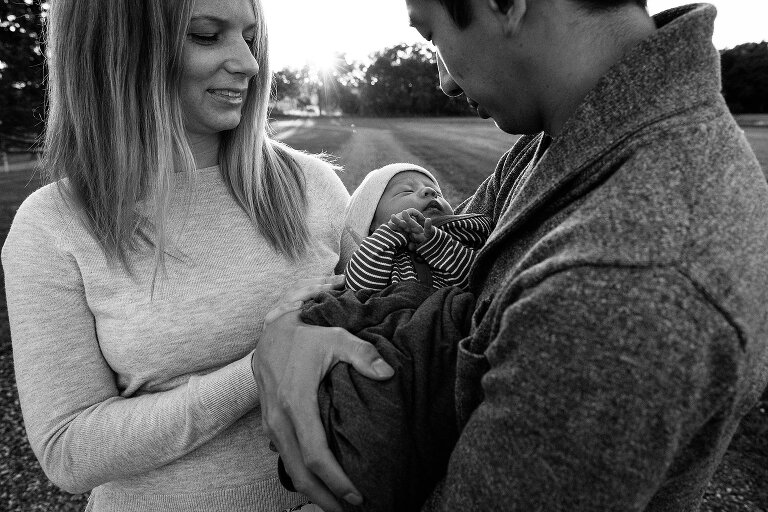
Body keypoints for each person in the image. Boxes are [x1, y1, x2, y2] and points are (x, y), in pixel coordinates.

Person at [252, 1, 768, 511]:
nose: (445, 83)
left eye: (432, 36)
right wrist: (289, 334)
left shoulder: (627, 286)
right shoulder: (556, 135)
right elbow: (449, 273)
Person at [1, 0, 356, 510]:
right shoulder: (54, 225)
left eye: (250, 36)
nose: (249, 64)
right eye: (207, 35)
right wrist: (260, 368)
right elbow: (69, 450)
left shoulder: (311, 184)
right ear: (120, 52)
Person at [343, 163, 493, 291]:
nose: (430, 192)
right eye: (407, 191)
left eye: (438, 194)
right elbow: (358, 290)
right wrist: (389, 233)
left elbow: (479, 279)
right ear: (372, 222)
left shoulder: (463, 233)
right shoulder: (379, 257)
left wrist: (437, 244)